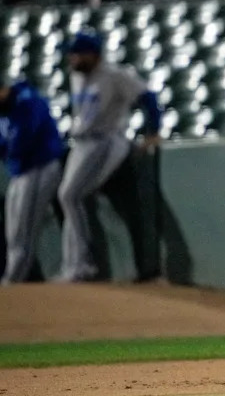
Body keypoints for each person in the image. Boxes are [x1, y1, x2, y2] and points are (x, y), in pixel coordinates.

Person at [56, 30, 162, 283]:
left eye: (77, 54)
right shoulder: (77, 76)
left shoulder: (115, 75)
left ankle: (82, 264)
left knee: (70, 196)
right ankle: (74, 264)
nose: (72, 59)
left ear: (93, 55)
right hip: (81, 143)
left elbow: (148, 98)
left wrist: (153, 132)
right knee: (70, 198)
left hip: (105, 141)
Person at [0, 73, 65, 285]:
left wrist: (3, 149)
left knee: (24, 228)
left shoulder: (27, 101)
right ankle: (13, 278)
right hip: (20, 171)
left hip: (40, 168)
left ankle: (14, 280)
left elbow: (21, 142)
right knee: (14, 229)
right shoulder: (0, 110)